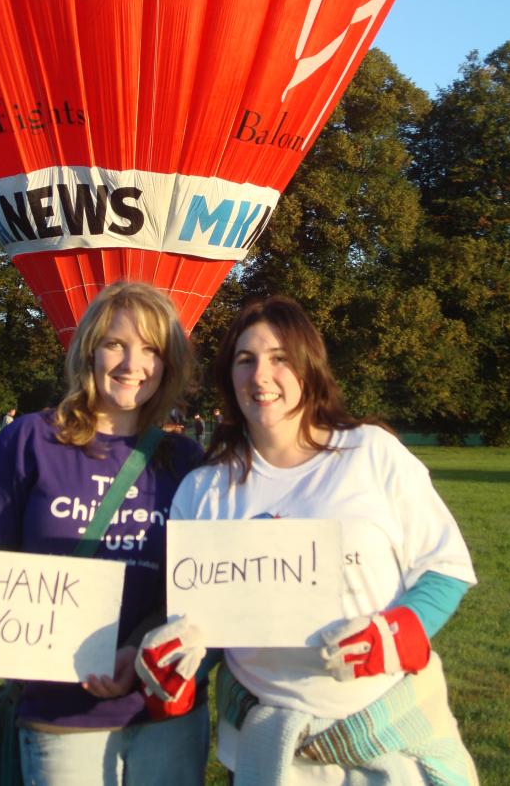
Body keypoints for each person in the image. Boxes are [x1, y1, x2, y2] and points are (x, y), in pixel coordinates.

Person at [142, 296, 478, 785]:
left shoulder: (370, 452)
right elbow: (204, 620)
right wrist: (181, 665)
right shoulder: (203, 489)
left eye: (279, 358)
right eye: (245, 360)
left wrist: (399, 635)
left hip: (389, 742)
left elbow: (443, 565)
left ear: (309, 367)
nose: (260, 376)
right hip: (269, 752)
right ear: (228, 375)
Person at [0, 281, 209, 786]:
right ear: (90, 349)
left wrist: (137, 651)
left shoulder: (185, 462)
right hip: (59, 710)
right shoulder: (30, 439)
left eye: (151, 350)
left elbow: (199, 586)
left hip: (165, 709)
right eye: (116, 343)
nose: (130, 364)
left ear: (168, 364)